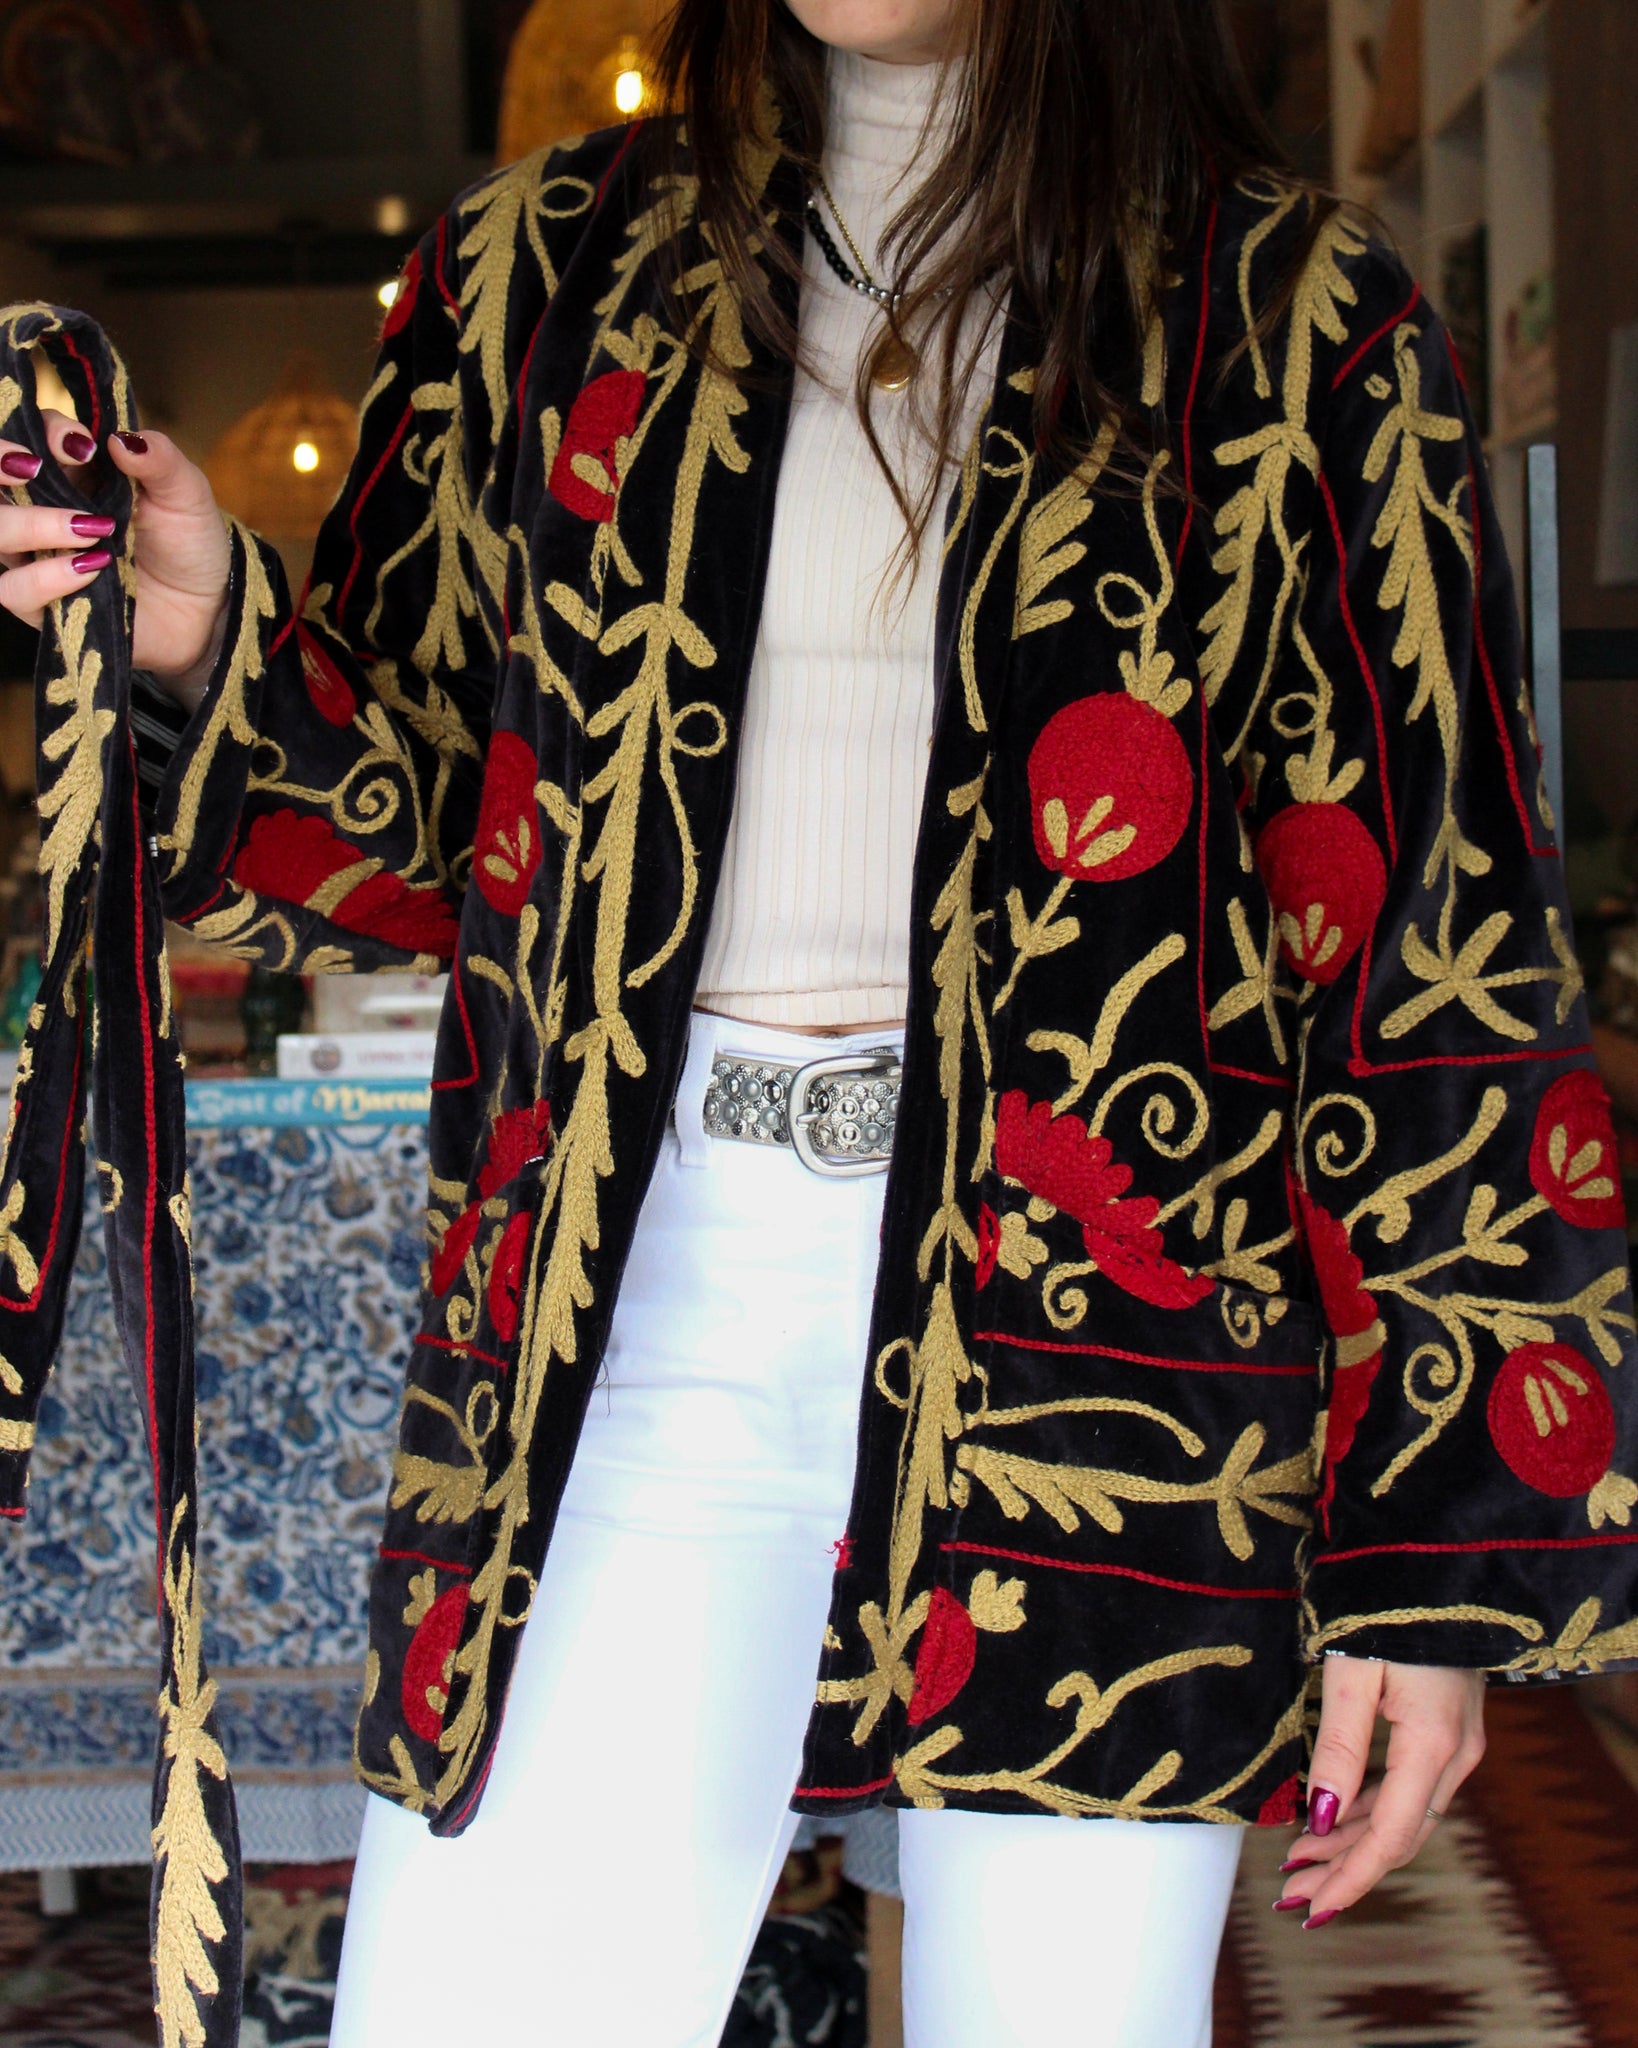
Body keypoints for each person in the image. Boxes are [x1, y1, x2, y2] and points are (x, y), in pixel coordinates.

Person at [2, 0, 1634, 2042]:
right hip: (630, 1303)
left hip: (1105, 1343)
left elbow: (1420, 923)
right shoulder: (540, 272)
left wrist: (1434, 1546)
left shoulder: (1291, 316)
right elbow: (438, 830)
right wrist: (207, 637)